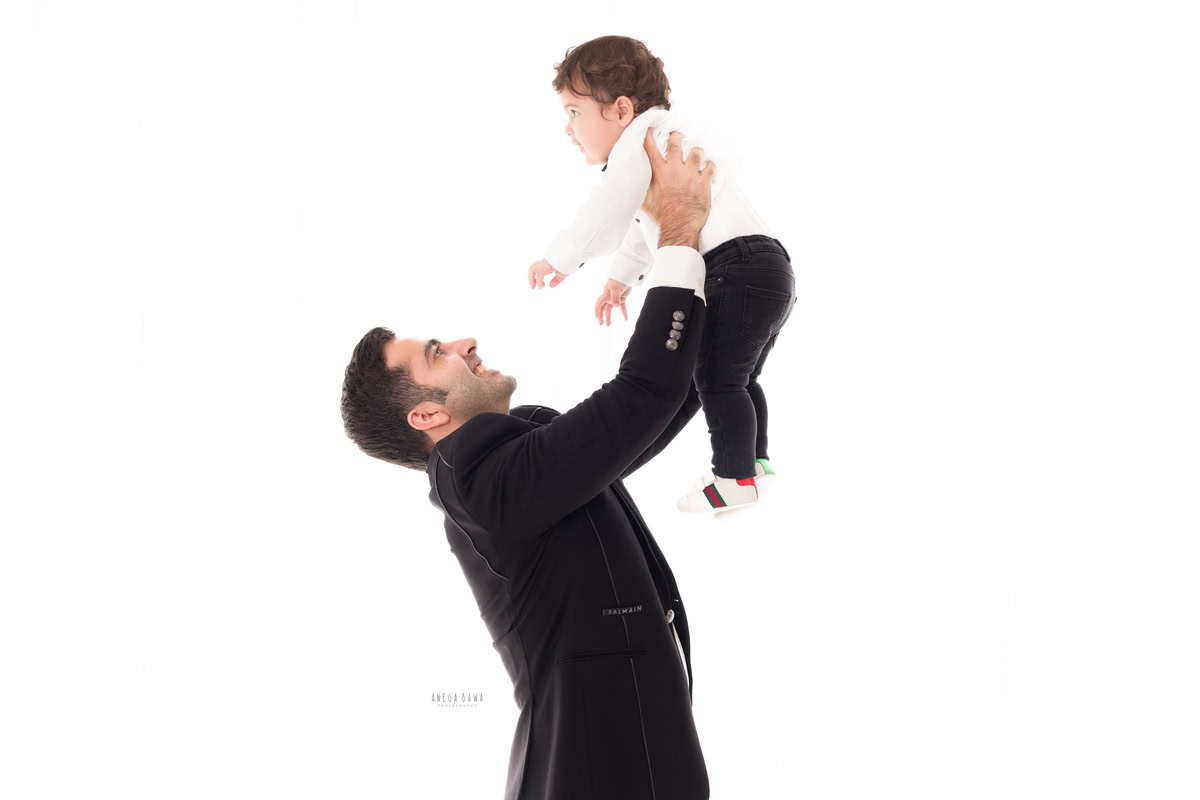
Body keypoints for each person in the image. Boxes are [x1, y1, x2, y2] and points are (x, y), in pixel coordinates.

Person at [342, 130, 715, 800]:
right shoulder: (485, 485)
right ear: (425, 416)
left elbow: (646, 420)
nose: (465, 342)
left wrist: (742, 318)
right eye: (436, 353)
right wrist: (679, 230)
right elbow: (642, 397)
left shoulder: (513, 468)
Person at [526, 35, 798, 513]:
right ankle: (754, 465)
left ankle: (734, 476)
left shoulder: (641, 142)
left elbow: (608, 207)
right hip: (769, 266)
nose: (568, 129)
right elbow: (645, 224)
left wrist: (560, 257)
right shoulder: (665, 139)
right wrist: (621, 279)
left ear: (621, 110)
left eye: (574, 112)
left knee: (715, 377)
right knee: (738, 376)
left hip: (733, 266)